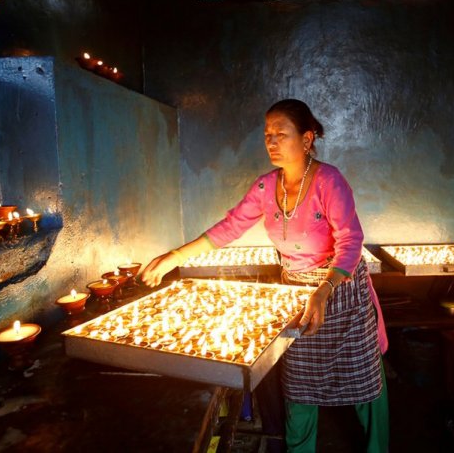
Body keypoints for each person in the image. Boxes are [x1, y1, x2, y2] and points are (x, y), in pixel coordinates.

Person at [140, 99, 389, 452]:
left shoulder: (328, 181)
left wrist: (325, 289)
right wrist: (175, 256)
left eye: (280, 134)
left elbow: (351, 240)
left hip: (341, 291)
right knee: (300, 384)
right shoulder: (264, 188)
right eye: (267, 135)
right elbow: (229, 227)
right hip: (298, 294)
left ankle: (377, 447)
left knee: (364, 380)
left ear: (306, 139)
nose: (271, 142)